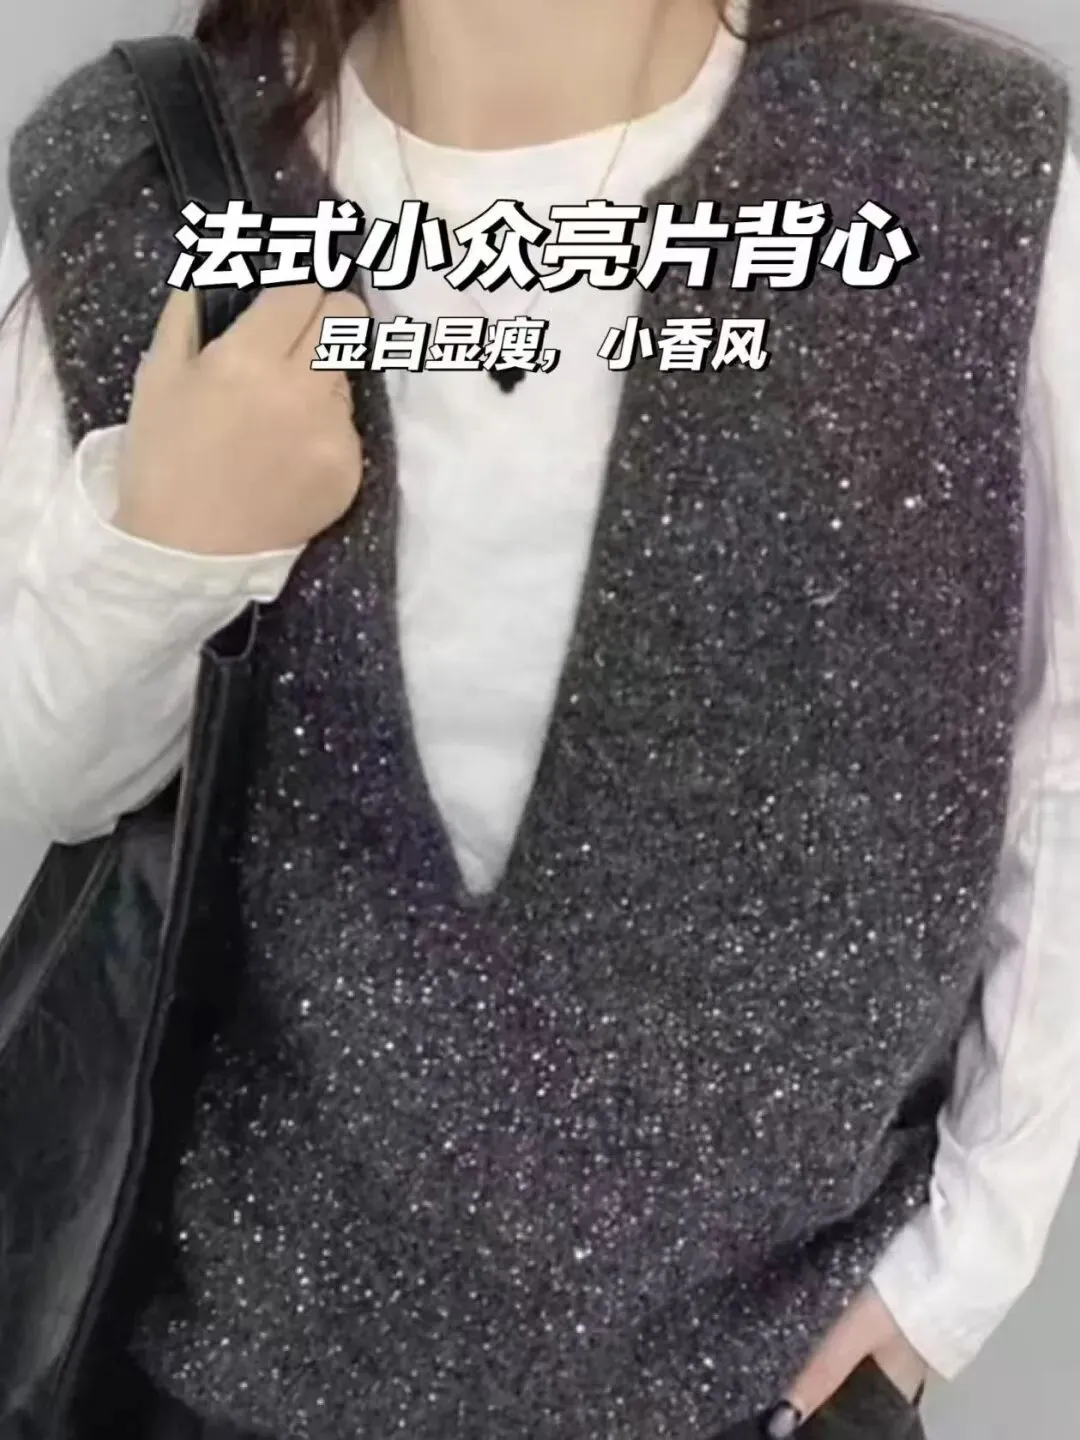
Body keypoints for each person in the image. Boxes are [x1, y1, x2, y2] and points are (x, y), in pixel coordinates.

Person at [0, 0, 1077, 1436]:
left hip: (753, 1379)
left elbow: (1058, 747)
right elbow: (53, 775)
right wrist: (170, 542)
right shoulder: (146, 178)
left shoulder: (958, 166)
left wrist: (962, 1263)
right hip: (240, 1371)